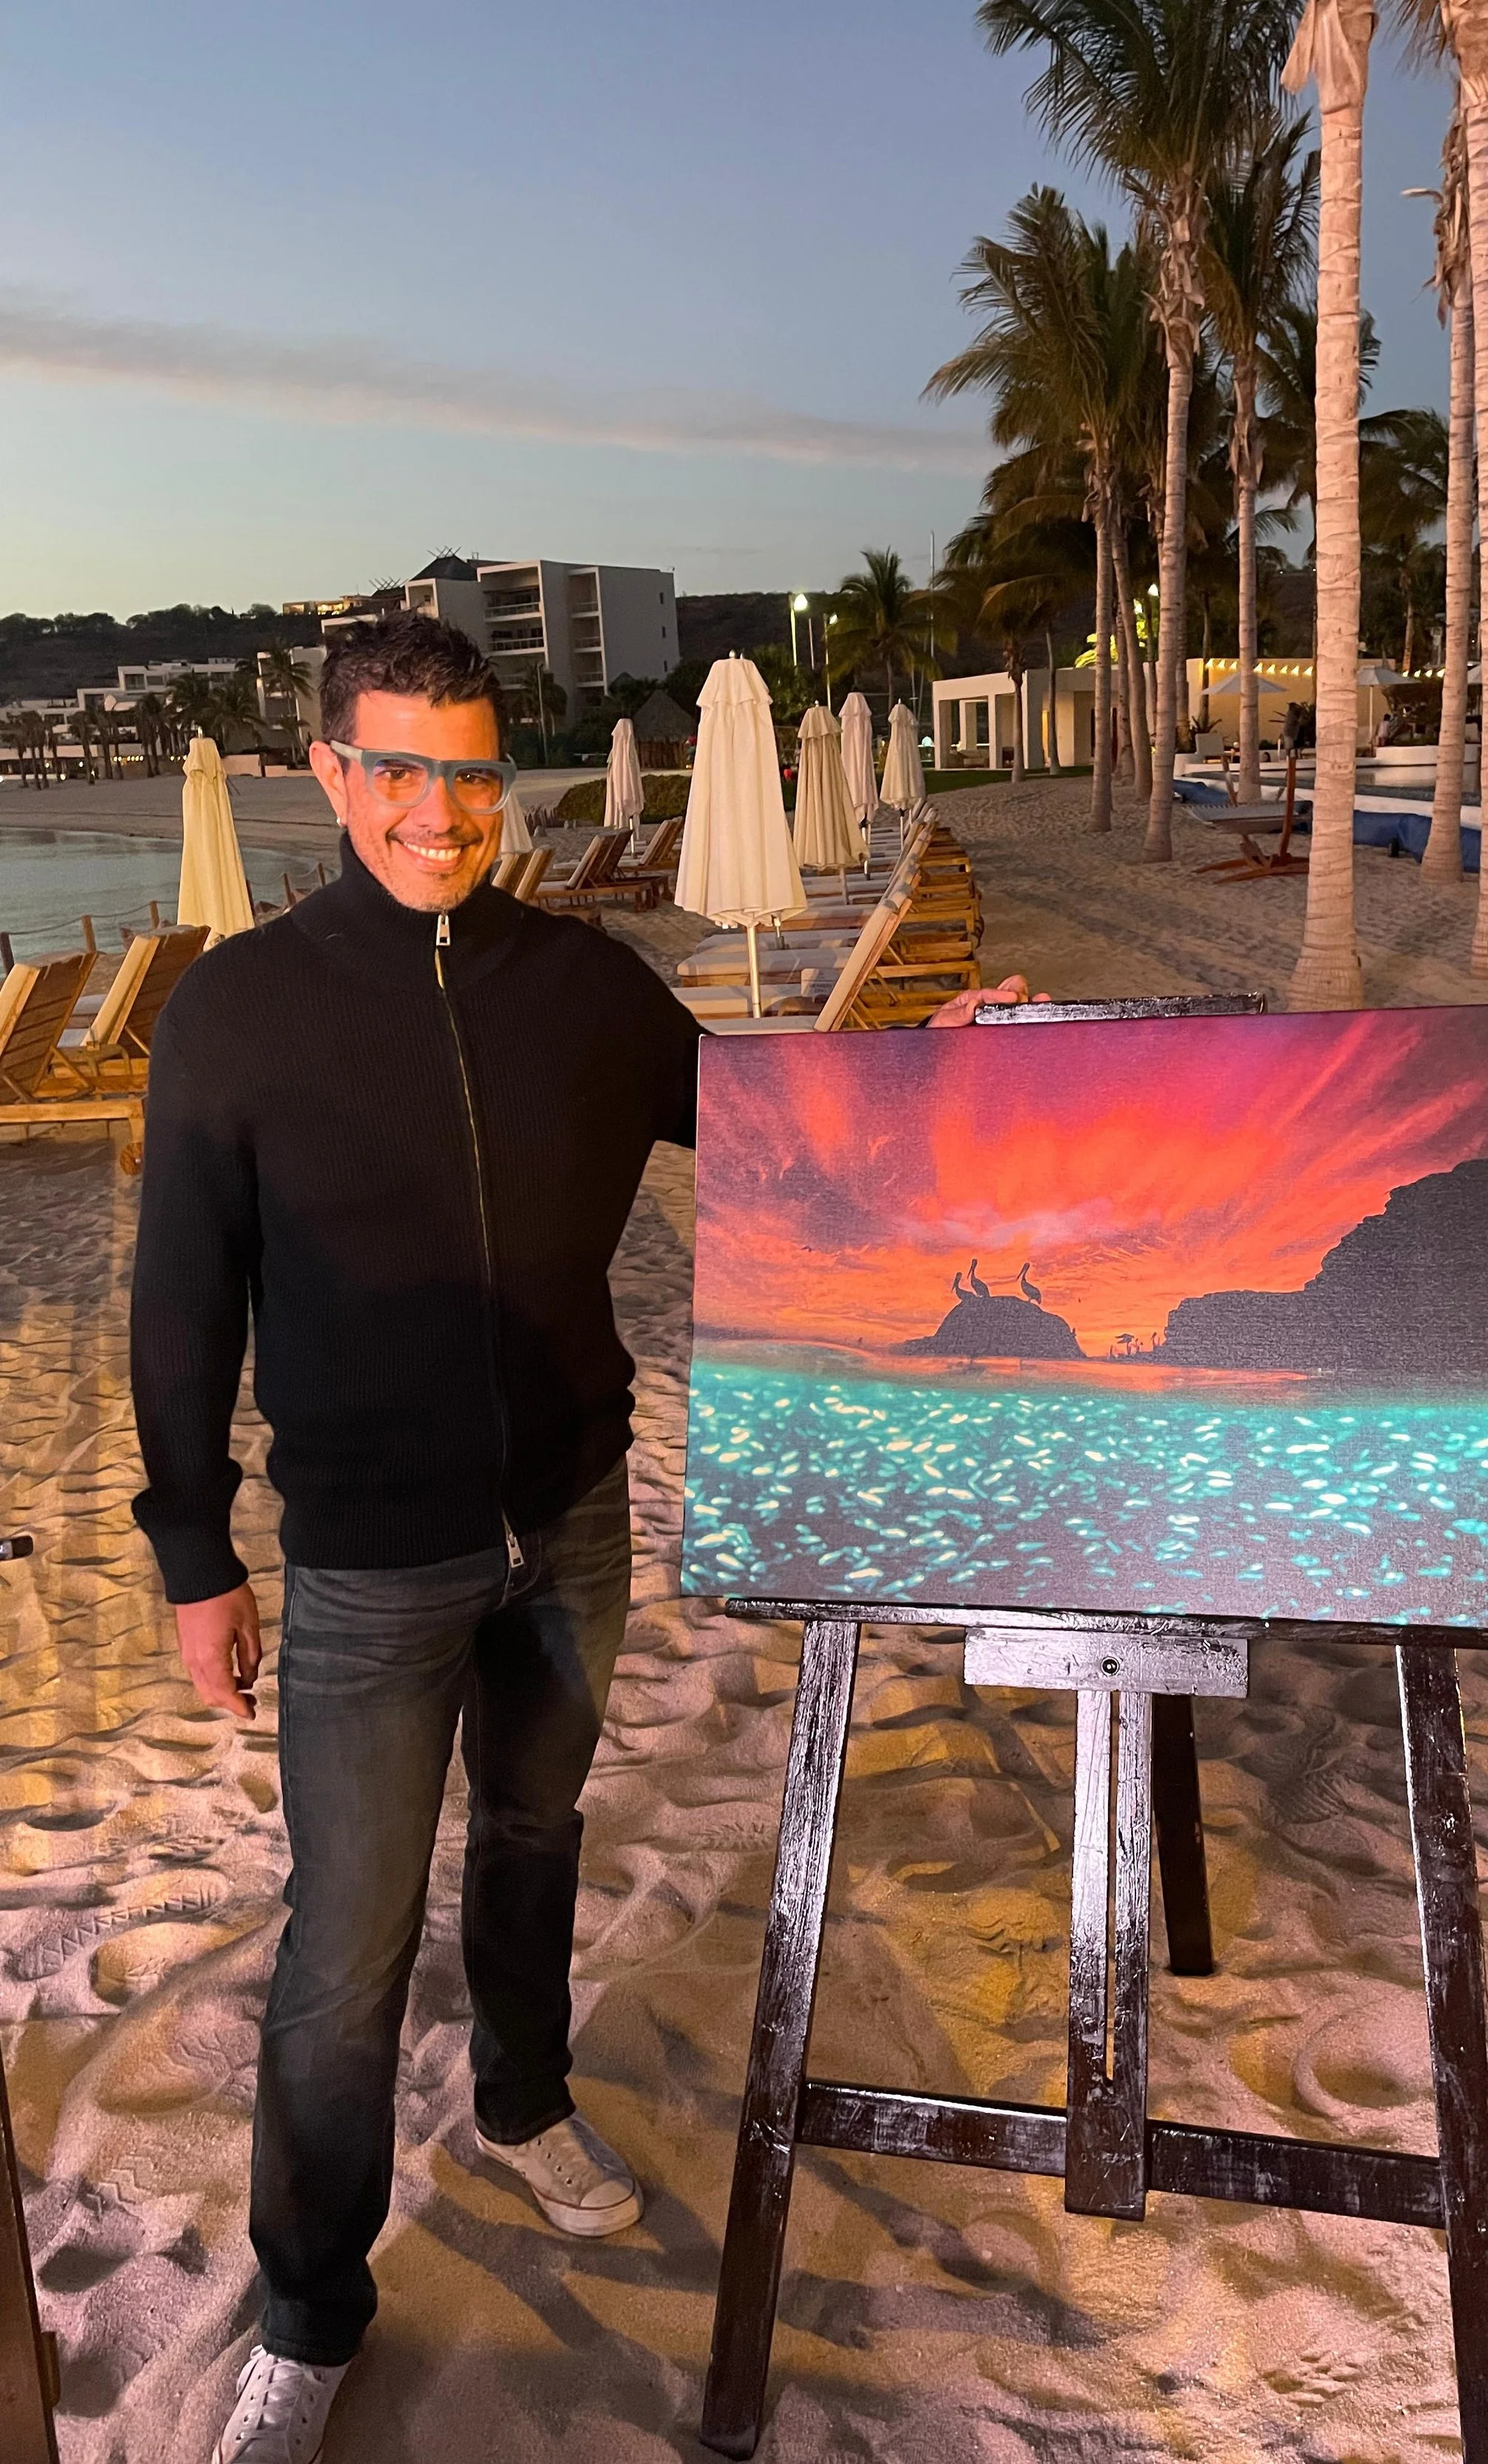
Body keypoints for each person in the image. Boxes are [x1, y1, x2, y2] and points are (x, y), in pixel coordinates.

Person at [129, 614, 1030, 2464]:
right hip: (369, 1562)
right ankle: (309, 2307)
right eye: (397, 768)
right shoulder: (238, 1009)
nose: (438, 810)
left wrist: (927, 1060)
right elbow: (177, 1303)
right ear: (331, 776)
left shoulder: (587, 985)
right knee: (345, 1947)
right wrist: (191, 1554)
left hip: (570, 1520)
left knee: (538, 1834)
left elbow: (770, 1118)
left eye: (468, 770)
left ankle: (527, 2103)